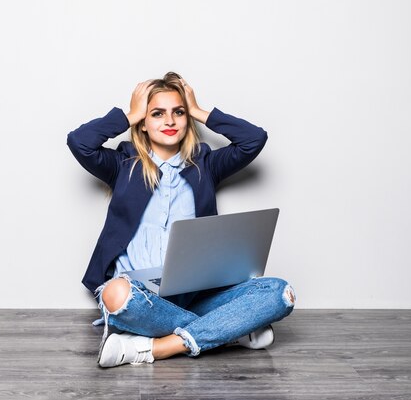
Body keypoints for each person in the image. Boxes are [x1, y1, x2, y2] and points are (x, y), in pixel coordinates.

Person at [67, 72, 295, 368]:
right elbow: (79, 142)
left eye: (179, 112)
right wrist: (130, 114)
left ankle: (151, 348)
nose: (170, 121)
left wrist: (200, 111)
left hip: (194, 295)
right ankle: (230, 330)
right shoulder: (122, 164)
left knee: (280, 293)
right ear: (144, 124)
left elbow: (254, 139)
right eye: (157, 114)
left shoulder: (205, 164)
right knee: (116, 294)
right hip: (140, 298)